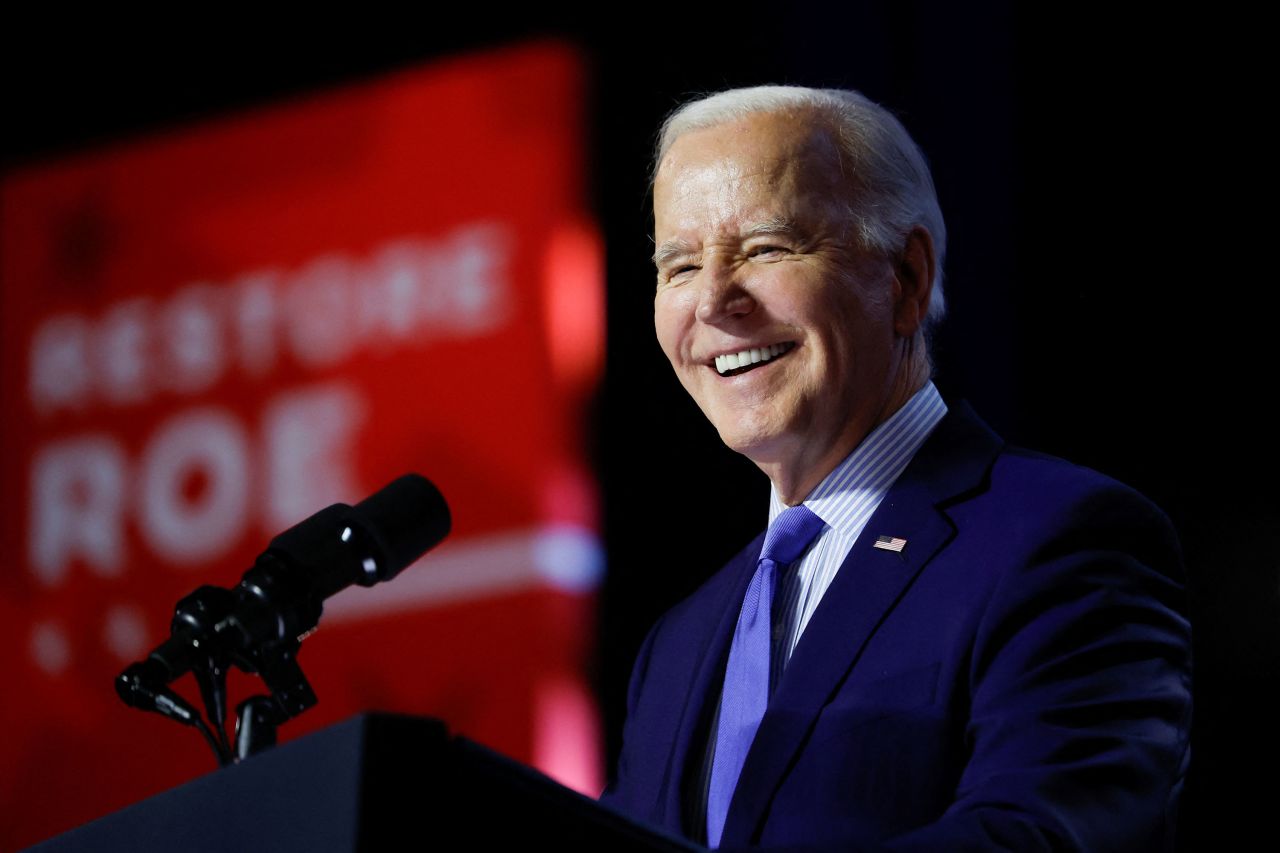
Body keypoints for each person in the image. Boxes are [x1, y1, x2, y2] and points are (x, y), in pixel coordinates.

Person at [599, 86, 1192, 851]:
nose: (714, 300)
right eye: (678, 265)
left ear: (905, 280)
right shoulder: (677, 646)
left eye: (767, 249)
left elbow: (1043, 836)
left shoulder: (1063, 542)